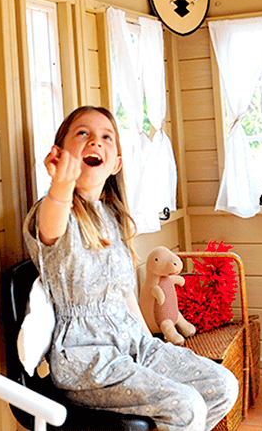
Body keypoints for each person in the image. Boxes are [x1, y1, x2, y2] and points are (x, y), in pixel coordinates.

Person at [23, 106, 237, 431]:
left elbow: (125, 295)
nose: (95, 141)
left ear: (116, 164)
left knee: (223, 385)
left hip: (133, 345)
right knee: (186, 406)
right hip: (87, 358)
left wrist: (153, 342)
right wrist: (61, 185)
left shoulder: (112, 218)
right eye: (83, 133)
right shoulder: (54, 210)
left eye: (106, 137)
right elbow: (51, 228)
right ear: (62, 152)